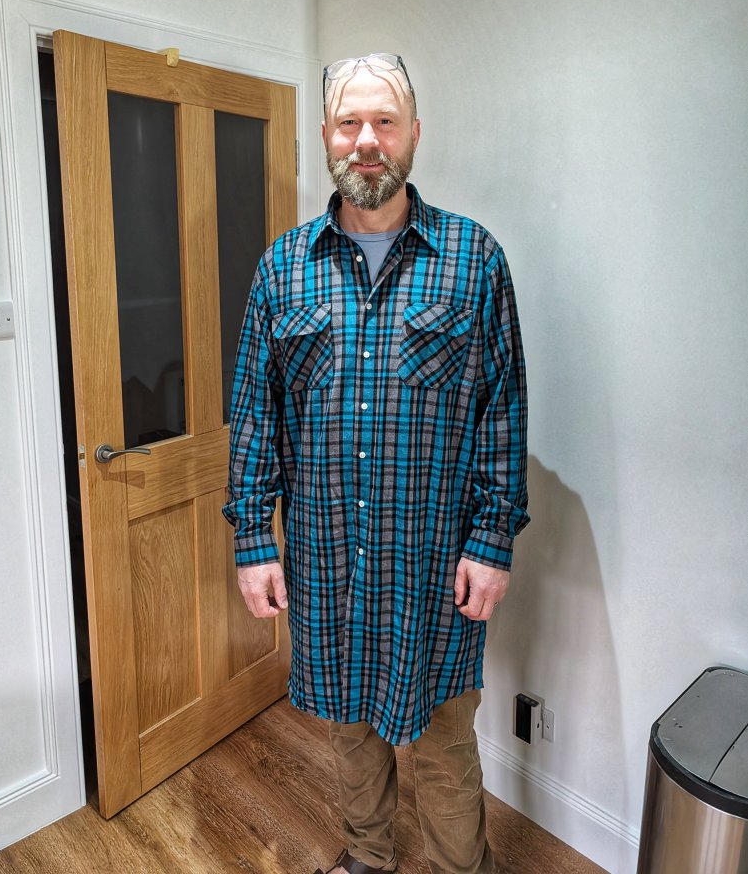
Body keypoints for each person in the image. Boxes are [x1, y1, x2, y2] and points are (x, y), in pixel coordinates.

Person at [223, 53, 529, 874]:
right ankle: (367, 856)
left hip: (433, 564)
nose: (367, 140)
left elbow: (501, 412)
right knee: (349, 730)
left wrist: (492, 542)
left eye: (384, 122)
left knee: (442, 743)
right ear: (326, 136)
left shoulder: (472, 258)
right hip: (325, 557)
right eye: (349, 123)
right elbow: (254, 416)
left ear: (413, 134)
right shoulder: (282, 268)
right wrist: (252, 540)